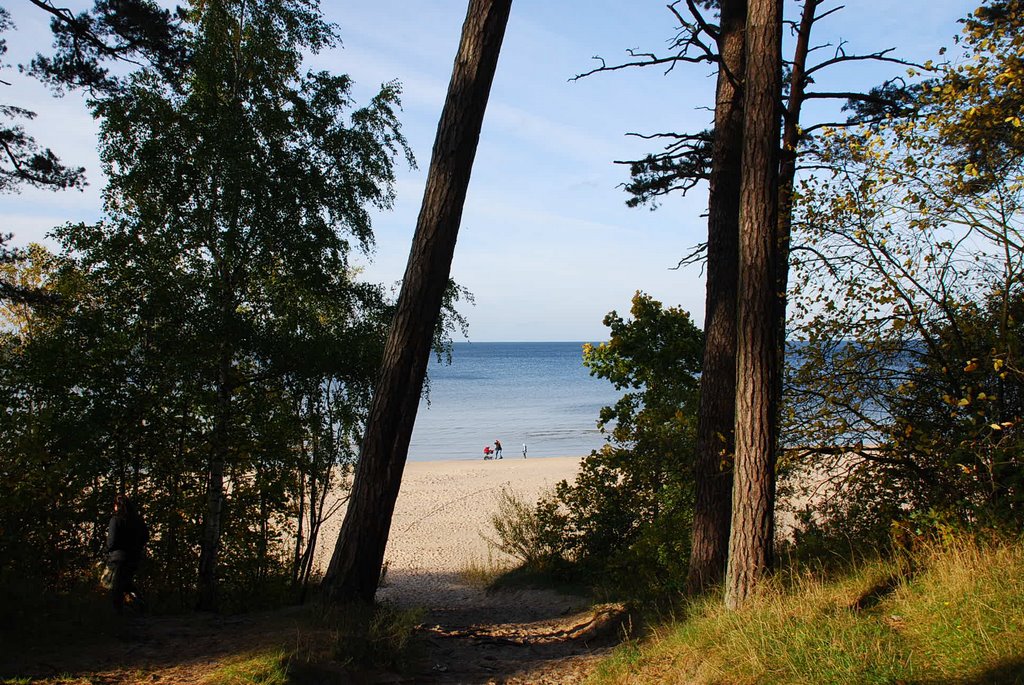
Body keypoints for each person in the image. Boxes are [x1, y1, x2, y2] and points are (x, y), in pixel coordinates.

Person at [106, 493, 149, 613]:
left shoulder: (115, 520)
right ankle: (139, 603)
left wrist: (109, 550)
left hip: (119, 558)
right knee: (126, 582)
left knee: (117, 586)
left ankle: (119, 611)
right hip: (135, 556)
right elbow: (146, 536)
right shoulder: (138, 520)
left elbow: (111, 541)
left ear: (117, 506)